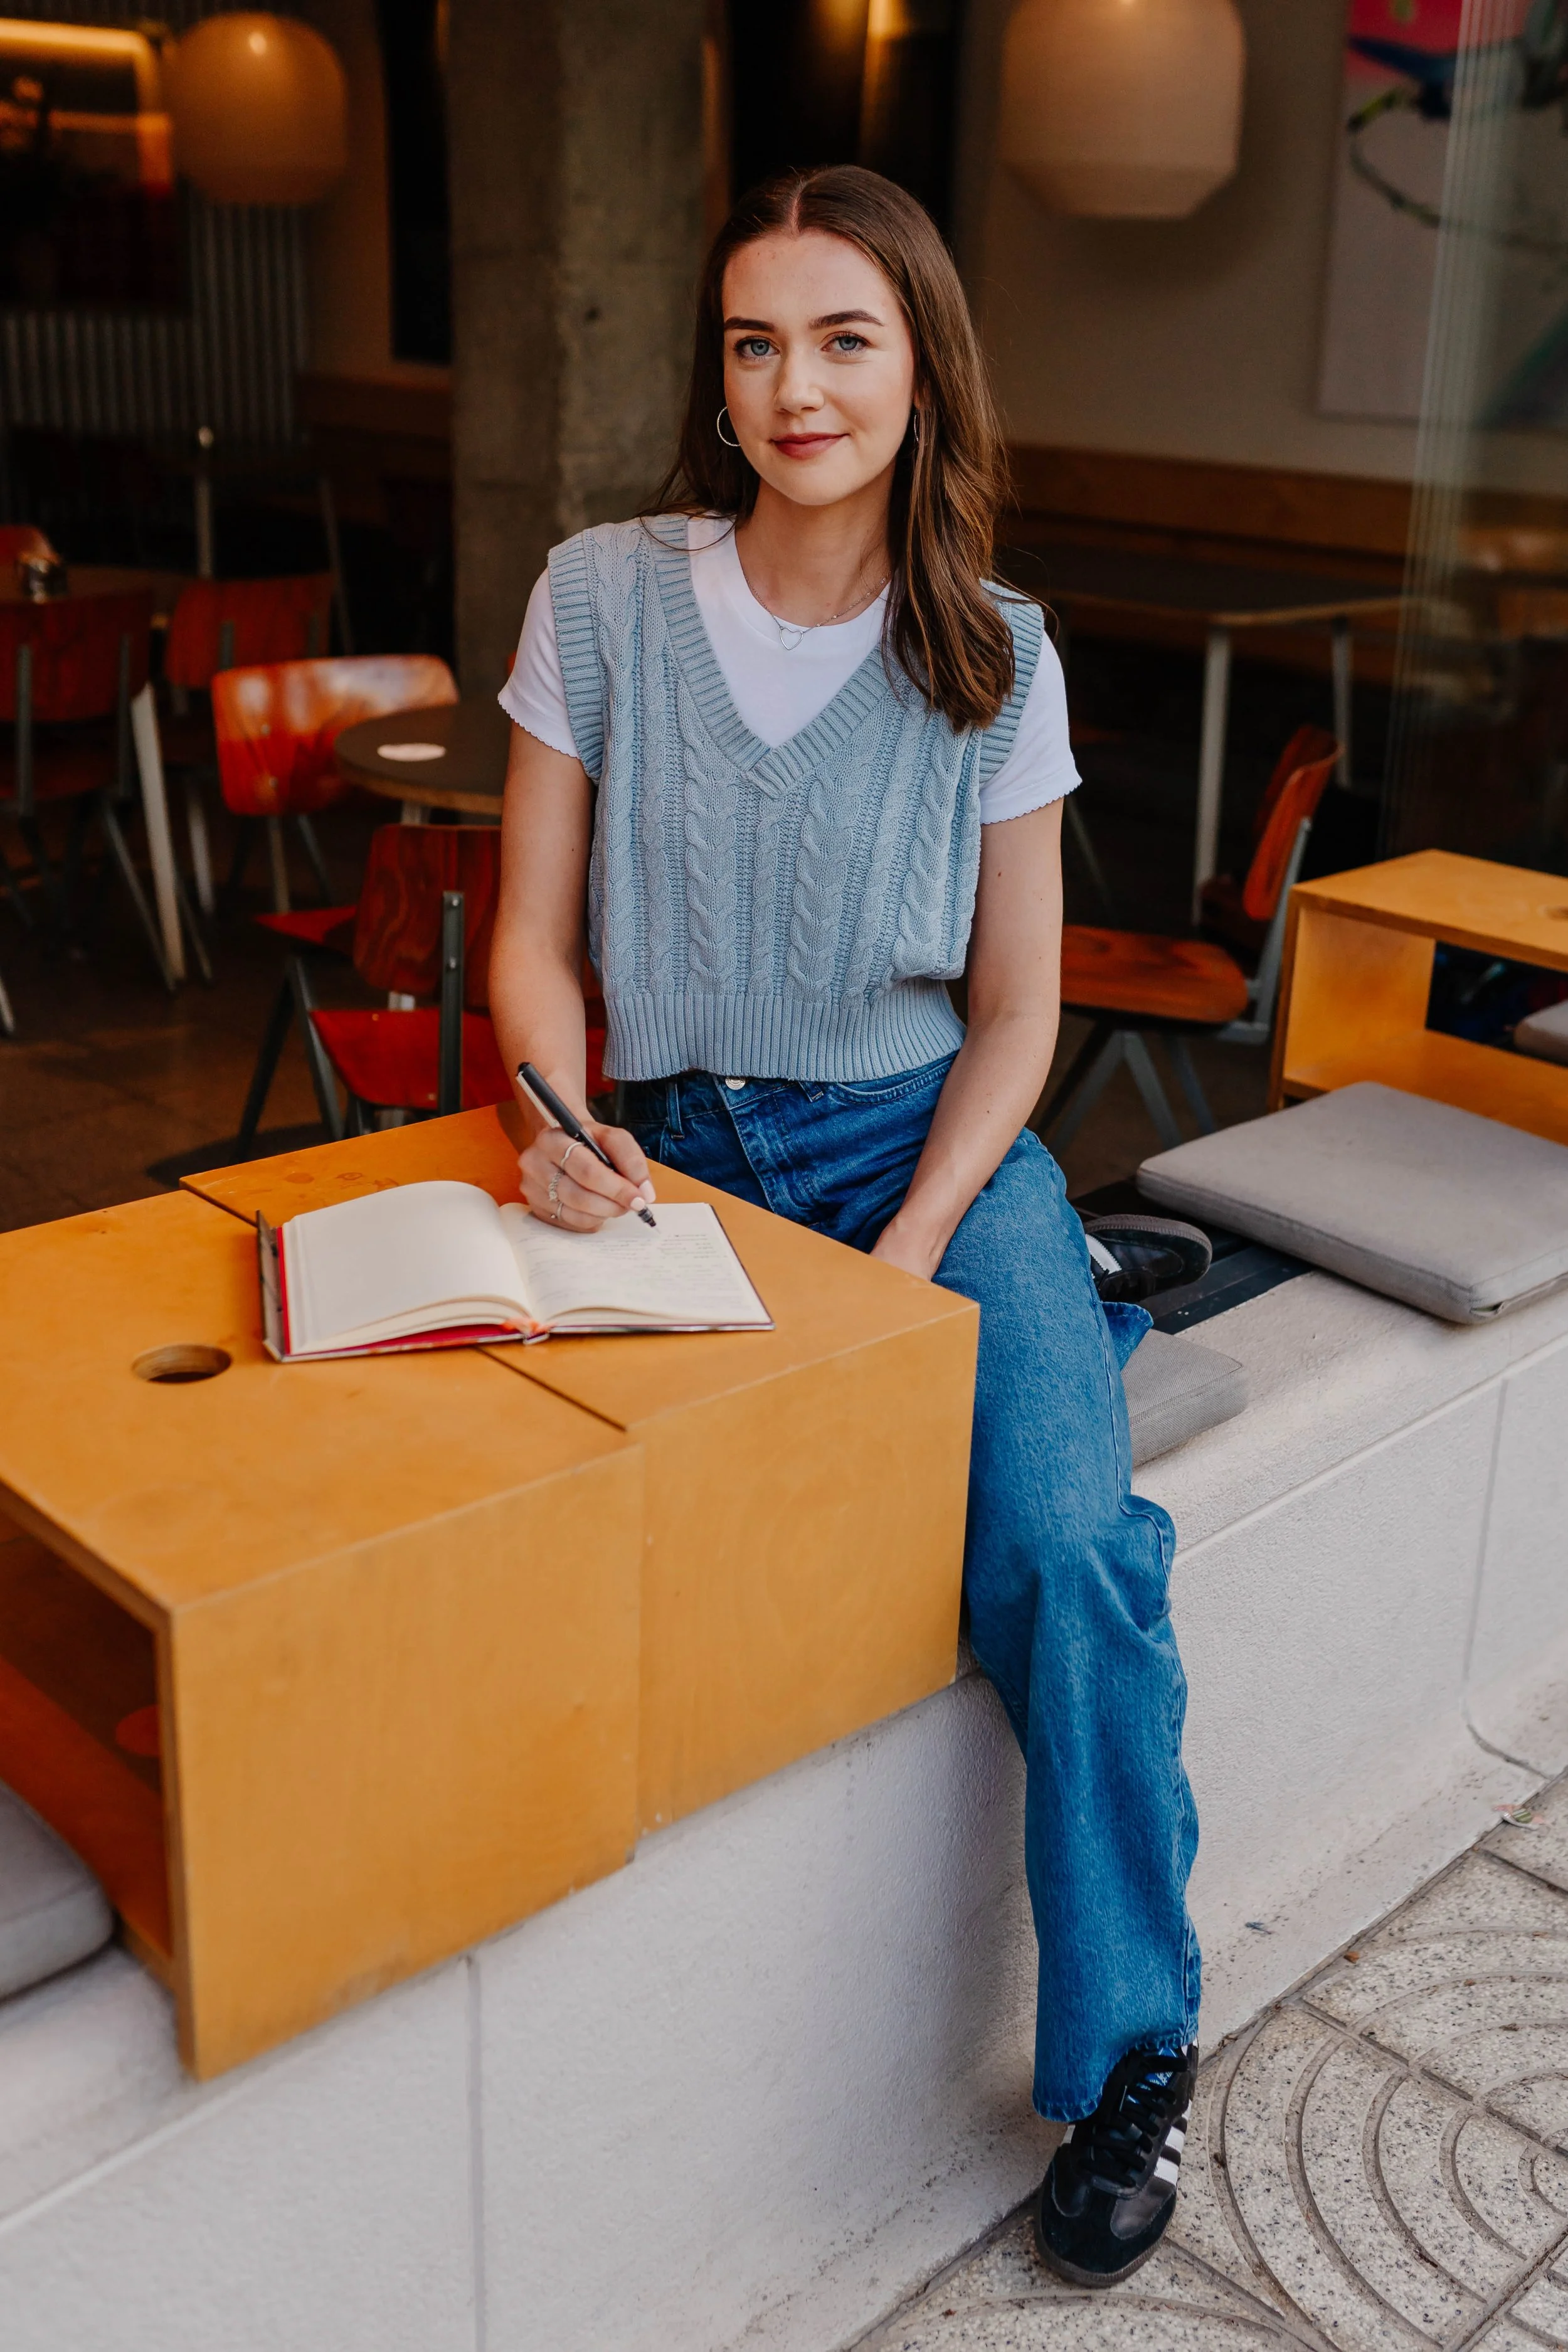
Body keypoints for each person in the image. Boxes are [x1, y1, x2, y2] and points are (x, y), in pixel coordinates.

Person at [487, 164, 1200, 2289]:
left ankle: (1133, 2053)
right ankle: (1070, 1297)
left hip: (926, 1152)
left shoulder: (999, 654)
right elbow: (531, 945)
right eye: (753, 342)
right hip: (678, 1154)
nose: (793, 385)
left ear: (919, 364)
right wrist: (554, 1117)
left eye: (842, 337)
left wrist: (908, 1261)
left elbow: (1016, 1016)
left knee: (1066, 1549)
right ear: (717, 377)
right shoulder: (600, 595)